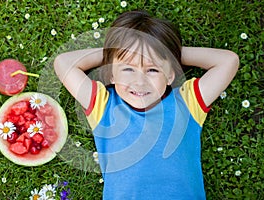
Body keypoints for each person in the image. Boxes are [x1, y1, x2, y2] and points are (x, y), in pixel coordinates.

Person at [54, 10, 239, 200]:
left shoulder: (187, 103)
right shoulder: (103, 105)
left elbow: (228, 61)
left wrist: (168, 51)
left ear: (170, 75)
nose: (139, 81)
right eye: (127, 69)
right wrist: (116, 52)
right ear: (111, 74)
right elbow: (63, 62)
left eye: (152, 69)